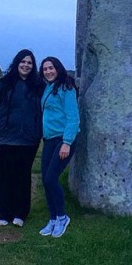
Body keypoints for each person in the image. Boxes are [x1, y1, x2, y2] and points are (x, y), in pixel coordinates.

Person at [0, 49, 44, 227]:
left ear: (33, 66)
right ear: (16, 63)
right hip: (5, 138)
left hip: (29, 140)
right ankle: (3, 213)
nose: (26, 65)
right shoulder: (2, 84)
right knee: (5, 176)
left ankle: (20, 213)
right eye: (23, 62)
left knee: (23, 176)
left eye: (29, 63)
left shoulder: (38, 86)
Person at [38, 56, 80, 238]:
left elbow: (73, 117)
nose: (48, 71)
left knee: (51, 179)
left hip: (63, 140)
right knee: (45, 180)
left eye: (51, 68)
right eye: (45, 69)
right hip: (49, 140)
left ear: (58, 68)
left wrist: (67, 143)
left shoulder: (66, 87)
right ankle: (53, 218)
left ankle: (62, 217)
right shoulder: (48, 87)